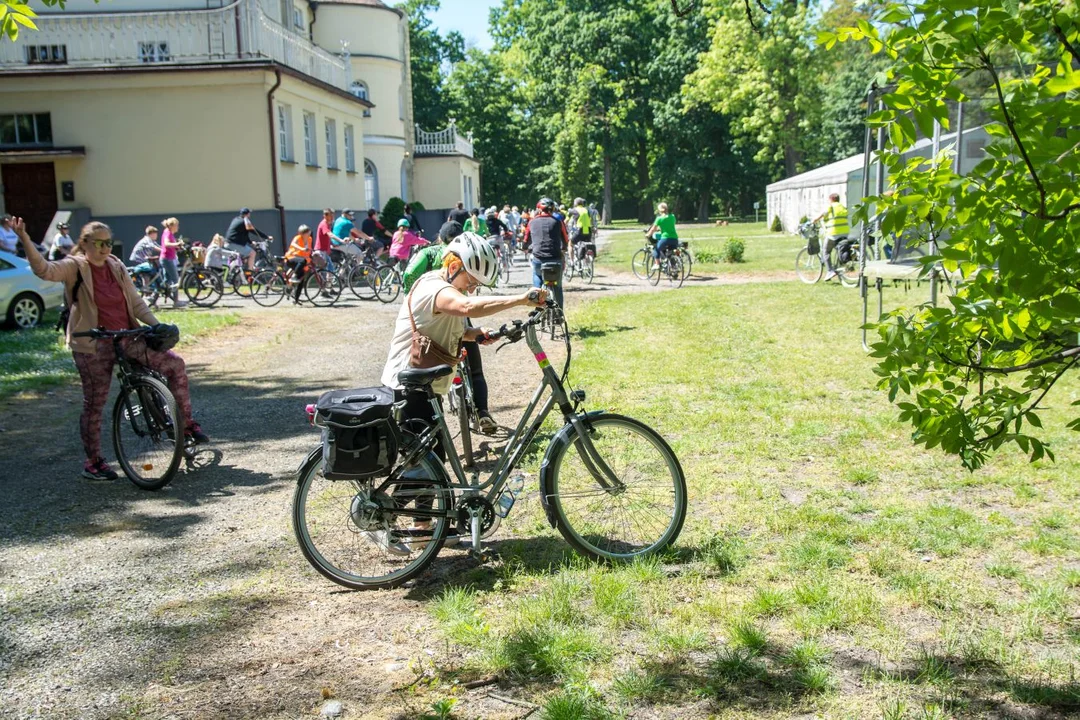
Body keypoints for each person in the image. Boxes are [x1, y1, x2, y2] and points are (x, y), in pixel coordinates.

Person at [378, 234, 547, 554]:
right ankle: (382, 520)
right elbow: (464, 306)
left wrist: (475, 334)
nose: (472, 289)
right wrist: (522, 298)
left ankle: (424, 529)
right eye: (471, 281)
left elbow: (452, 322)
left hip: (426, 386)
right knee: (421, 464)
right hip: (408, 387)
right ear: (453, 266)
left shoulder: (447, 288)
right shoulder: (434, 288)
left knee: (432, 461)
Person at [13, 217, 208, 480]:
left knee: (175, 365)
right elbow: (45, 270)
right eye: (100, 243)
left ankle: (184, 426)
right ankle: (93, 463)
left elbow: (136, 302)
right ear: (85, 244)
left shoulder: (116, 265)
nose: (105, 249)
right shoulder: (74, 266)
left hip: (127, 335)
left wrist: (156, 325)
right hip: (92, 344)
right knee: (95, 403)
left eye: (109, 243)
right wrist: (25, 238)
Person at [523, 197, 568, 308]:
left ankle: (537, 304)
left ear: (538, 209)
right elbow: (566, 239)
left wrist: (525, 247)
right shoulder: (557, 221)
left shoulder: (532, 222)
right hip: (555, 259)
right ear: (552, 209)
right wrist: (564, 248)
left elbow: (526, 239)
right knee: (558, 286)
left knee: (537, 275)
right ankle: (559, 314)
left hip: (539, 259)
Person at [813, 193, 850, 281]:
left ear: (831, 199)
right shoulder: (843, 207)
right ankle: (840, 265)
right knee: (840, 248)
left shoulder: (831, 207)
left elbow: (822, 214)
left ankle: (830, 271)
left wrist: (814, 220)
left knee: (826, 251)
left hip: (834, 233)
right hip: (845, 232)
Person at [644, 202, 679, 270]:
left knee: (656, 249)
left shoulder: (659, 219)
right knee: (671, 253)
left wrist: (648, 235)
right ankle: (673, 267)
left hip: (665, 239)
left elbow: (653, 229)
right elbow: (671, 224)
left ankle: (657, 264)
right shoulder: (672, 216)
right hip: (674, 239)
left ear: (659, 210)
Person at [159, 217, 185, 306]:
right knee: (175, 279)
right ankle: (176, 301)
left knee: (167, 281)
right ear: (172, 226)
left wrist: (177, 247)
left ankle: (154, 296)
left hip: (167, 258)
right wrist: (177, 244)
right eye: (177, 225)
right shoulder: (168, 233)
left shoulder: (168, 233)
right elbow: (166, 244)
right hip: (167, 259)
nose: (178, 227)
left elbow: (171, 246)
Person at [285, 225, 313, 304]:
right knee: (302, 262)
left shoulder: (310, 239)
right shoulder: (297, 238)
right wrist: (301, 248)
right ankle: (293, 276)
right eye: (306, 232)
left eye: (308, 232)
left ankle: (296, 300)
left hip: (301, 261)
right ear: (302, 233)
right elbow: (293, 244)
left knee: (301, 279)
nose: (308, 233)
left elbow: (308, 250)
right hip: (291, 258)